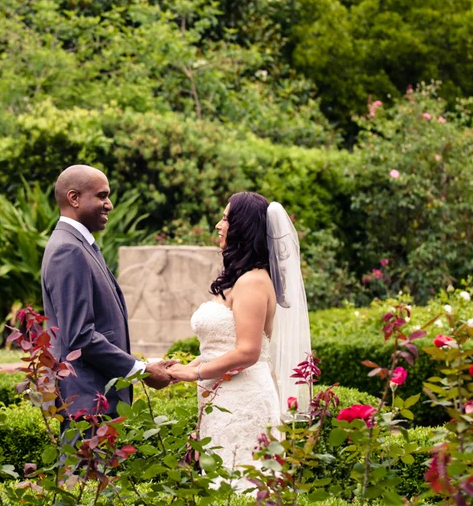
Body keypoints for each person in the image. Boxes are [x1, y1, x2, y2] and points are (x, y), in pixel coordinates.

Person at [164, 192, 312, 486]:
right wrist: (179, 369)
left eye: (225, 219)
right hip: (224, 396)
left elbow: (248, 351)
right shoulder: (241, 279)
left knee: (240, 484)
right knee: (222, 484)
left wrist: (194, 374)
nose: (219, 225)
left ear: (243, 227)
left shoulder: (253, 281)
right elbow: (224, 345)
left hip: (244, 400)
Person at [40, 164, 174, 422]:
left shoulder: (80, 245)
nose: (109, 205)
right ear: (74, 198)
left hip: (96, 400)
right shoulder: (68, 250)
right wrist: (141, 370)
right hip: (87, 403)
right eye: (102, 196)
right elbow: (80, 336)